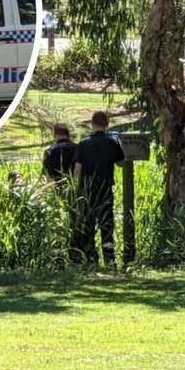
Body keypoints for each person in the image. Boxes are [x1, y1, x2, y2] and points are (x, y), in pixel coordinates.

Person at [71, 111, 125, 266]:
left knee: (88, 224)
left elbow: (76, 172)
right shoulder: (112, 142)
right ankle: (109, 259)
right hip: (105, 189)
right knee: (107, 225)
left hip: (87, 191)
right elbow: (121, 163)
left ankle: (91, 258)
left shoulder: (83, 143)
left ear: (92, 124)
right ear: (106, 125)